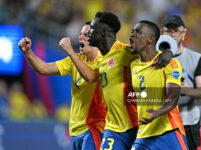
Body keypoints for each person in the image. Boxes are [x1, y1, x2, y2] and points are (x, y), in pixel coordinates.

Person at [59, 11, 172, 150]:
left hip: (134, 126)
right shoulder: (100, 58)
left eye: (93, 29)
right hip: (112, 129)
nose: (89, 33)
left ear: (103, 32)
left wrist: (167, 53)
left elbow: (151, 51)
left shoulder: (125, 53)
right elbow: (90, 77)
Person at [18, 21, 106, 150]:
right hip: (75, 131)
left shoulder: (105, 61)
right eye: (80, 34)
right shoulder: (75, 60)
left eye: (86, 34)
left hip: (95, 129)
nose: (81, 37)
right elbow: (43, 68)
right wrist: (27, 52)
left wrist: (70, 51)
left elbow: (91, 77)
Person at [129, 20, 188, 150]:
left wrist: (156, 113)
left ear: (150, 39)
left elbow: (173, 97)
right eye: (132, 31)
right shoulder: (133, 65)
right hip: (143, 136)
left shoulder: (169, 63)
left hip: (169, 132)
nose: (132, 35)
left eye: (137, 32)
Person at [161, 15, 201, 150]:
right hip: (162, 121)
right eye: (168, 31)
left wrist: (185, 90)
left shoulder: (196, 58)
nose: (172, 34)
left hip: (187, 121)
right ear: (162, 33)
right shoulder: (154, 58)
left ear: (184, 33)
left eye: (176, 30)